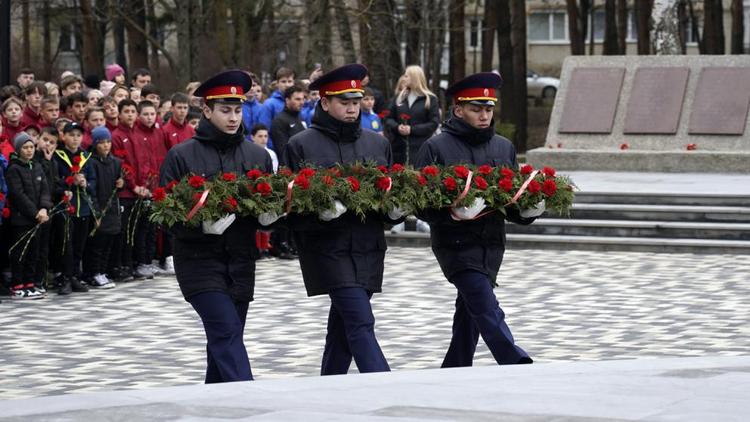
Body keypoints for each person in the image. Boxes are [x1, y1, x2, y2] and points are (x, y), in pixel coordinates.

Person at [414, 72, 544, 368]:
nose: (484, 115)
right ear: (458, 110)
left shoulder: (503, 147)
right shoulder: (435, 148)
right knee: (485, 305)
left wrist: (528, 211)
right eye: (476, 109)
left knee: (470, 308)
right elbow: (419, 203)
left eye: (488, 109)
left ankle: (455, 367)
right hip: (455, 243)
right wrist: (453, 212)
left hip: (492, 243)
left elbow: (511, 200)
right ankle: (514, 359)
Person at [283, 64, 397, 376]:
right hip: (327, 247)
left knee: (343, 327)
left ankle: (328, 383)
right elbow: (289, 206)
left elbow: (387, 194)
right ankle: (384, 384)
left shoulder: (377, 143)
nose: (351, 109)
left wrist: (395, 209)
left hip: (368, 246)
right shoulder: (301, 144)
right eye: (343, 102)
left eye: (355, 102)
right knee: (360, 320)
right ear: (324, 102)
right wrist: (318, 213)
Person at [160, 70, 273, 383]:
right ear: (206, 111)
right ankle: (252, 401)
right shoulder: (181, 155)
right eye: (225, 110)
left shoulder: (257, 155)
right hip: (199, 262)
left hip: (240, 262)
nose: (234, 117)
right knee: (226, 331)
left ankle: (214, 403)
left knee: (225, 340)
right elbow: (164, 214)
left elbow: (270, 205)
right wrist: (200, 227)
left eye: (238, 110)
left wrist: (272, 218)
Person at [53, 122, 97, 295]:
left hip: (83, 207)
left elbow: (94, 182)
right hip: (66, 208)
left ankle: (75, 277)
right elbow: (54, 181)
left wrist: (86, 183)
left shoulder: (86, 157)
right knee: (66, 245)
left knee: (79, 244)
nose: (75, 138)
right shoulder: (57, 156)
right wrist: (68, 181)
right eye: (71, 135)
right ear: (63, 136)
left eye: (78, 135)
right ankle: (64, 277)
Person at [6, 132, 51, 299]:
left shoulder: (37, 166)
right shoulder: (14, 169)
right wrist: (35, 213)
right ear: (18, 149)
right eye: (25, 147)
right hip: (22, 219)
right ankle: (17, 284)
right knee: (20, 252)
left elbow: (45, 190)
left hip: (39, 218)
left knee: (34, 251)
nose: (29, 150)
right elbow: (18, 195)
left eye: (31, 147)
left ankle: (30, 283)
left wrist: (44, 208)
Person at [83, 127, 121, 289]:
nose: (106, 146)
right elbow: (92, 189)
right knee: (97, 243)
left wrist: (121, 183)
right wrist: (96, 211)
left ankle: (103, 271)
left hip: (112, 207)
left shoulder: (116, 162)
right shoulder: (91, 162)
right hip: (99, 205)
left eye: (108, 142)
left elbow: (117, 182)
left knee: (109, 241)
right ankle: (94, 272)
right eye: (101, 142)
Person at [384, 65, 440, 166]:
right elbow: (388, 118)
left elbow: (434, 123)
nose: (403, 78)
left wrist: (412, 129)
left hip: (421, 148)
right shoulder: (399, 97)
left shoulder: (430, 99)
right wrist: (397, 127)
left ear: (414, 77)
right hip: (399, 150)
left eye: (406, 76)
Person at [270, 85, 306, 164]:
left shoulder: (301, 118)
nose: (302, 102)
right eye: (297, 99)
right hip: (290, 170)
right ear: (287, 100)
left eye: (303, 99)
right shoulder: (279, 121)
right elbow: (282, 151)